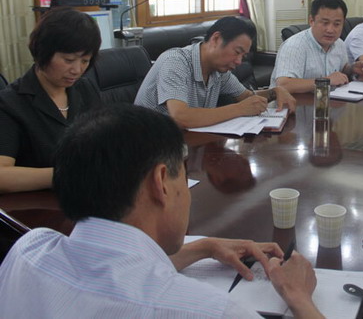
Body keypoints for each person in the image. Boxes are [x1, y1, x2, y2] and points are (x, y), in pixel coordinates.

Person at [0, 104, 322, 318]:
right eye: (182, 173)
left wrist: (204, 247)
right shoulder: (206, 311)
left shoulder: (28, 250)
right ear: (161, 183)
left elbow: (109, 269)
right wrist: (298, 297)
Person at [0, 8, 101, 194]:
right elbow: (2, 175)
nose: (77, 70)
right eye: (68, 60)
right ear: (43, 52)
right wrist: (64, 175)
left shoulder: (85, 89)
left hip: (89, 196)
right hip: (38, 204)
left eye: (85, 61)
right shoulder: (11, 103)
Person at [135, 16, 296, 129]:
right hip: (149, 146)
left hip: (187, 142)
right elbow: (180, 116)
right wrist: (239, 109)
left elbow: (247, 97)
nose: (239, 61)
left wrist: (275, 92)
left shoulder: (219, 71)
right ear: (216, 39)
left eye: (243, 56)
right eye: (237, 52)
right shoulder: (176, 61)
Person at [270, 0, 363, 93]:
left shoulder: (339, 44)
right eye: (325, 23)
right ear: (311, 21)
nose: (330, 30)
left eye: (337, 24)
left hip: (327, 100)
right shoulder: (294, 46)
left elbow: (342, 69)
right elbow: (284, 85)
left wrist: (352, 69)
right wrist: (326, 81)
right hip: (293, 104)